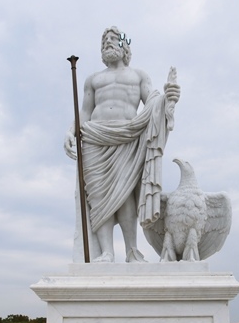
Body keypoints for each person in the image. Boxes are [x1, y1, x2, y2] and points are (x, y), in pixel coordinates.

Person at [64, 26, 180, 262]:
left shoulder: (138, 75)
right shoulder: (93, 79)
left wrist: (169, 98)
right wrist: (70, 132)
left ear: (124, 45)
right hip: (96, 139)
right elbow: (84, 111)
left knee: (125, 195)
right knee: (98, 196)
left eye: (113, 38)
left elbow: (153, 103)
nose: (107, 42)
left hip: (127, 138)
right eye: (104, 40)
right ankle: (106, 252)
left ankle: (131, 250)